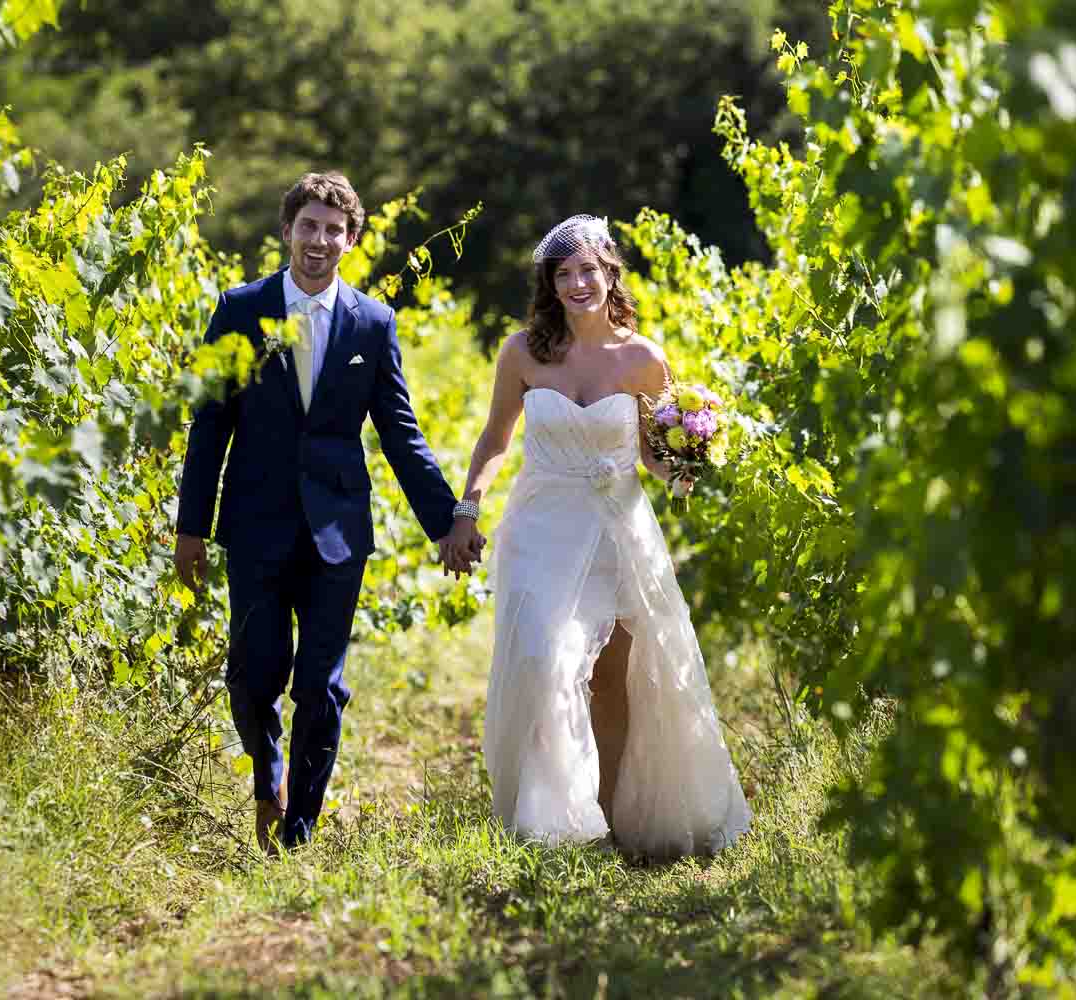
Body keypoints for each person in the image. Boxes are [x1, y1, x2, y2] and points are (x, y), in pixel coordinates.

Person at [174, 171, 483, 854]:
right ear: (288, 231)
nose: (319, 240)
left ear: (352, 239)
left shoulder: (373, 324)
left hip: (339, 533)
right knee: (255, 673)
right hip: (254, 525)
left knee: (322, 684)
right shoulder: (239, 309)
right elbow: (209, 426)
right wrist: (190, 530)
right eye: (308, 226)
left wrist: (449, 520)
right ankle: (269, 780)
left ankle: (299, 829)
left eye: (333, 229)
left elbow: (400, 432)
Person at [452, 214, 751, 856]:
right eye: (563, 274)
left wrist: (685, 463)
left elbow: (652, 449)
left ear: (609, 273)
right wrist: (467, 507)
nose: (577, 282)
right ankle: (553, 812)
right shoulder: (522, 353)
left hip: (618, 526)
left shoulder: (643, 359)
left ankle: (612, 823)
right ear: (550, 284)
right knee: (543, 657)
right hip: (542, 524)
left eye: (588, 269)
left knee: (615, 676)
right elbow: (494, 439)